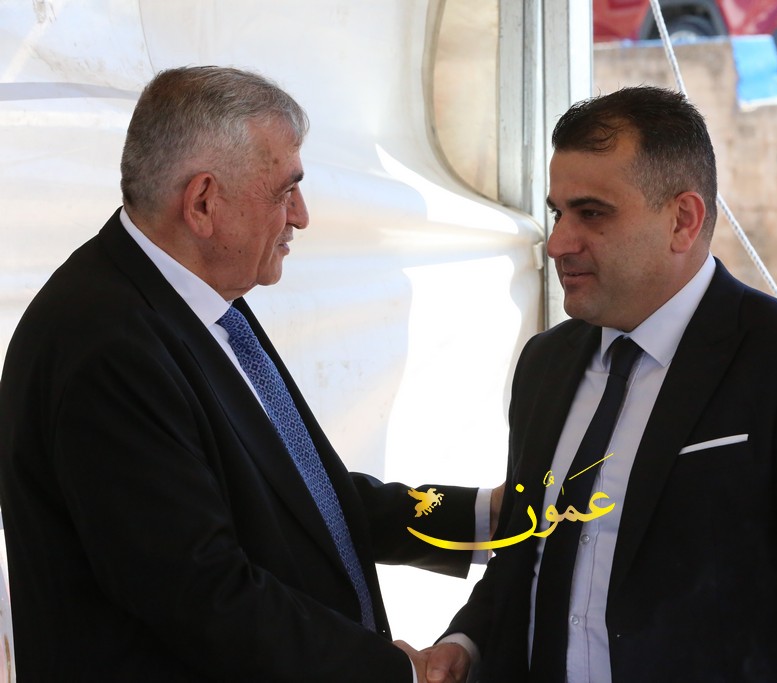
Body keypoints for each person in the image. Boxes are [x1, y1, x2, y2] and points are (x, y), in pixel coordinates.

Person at [0, 65, 489, 682]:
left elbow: (299, 496)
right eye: (285, 192)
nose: (301, 216)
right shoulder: (106, 346)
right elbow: (200, 593)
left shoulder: (195, 296)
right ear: (204, 202)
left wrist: (476, 516)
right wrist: (398, 675)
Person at [424, 85, 777, 682]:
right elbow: (527, 554)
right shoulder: (545, 364)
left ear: (683, 220)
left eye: (592, 213)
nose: (558, 243)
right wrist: (467, 642)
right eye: (558, 213)